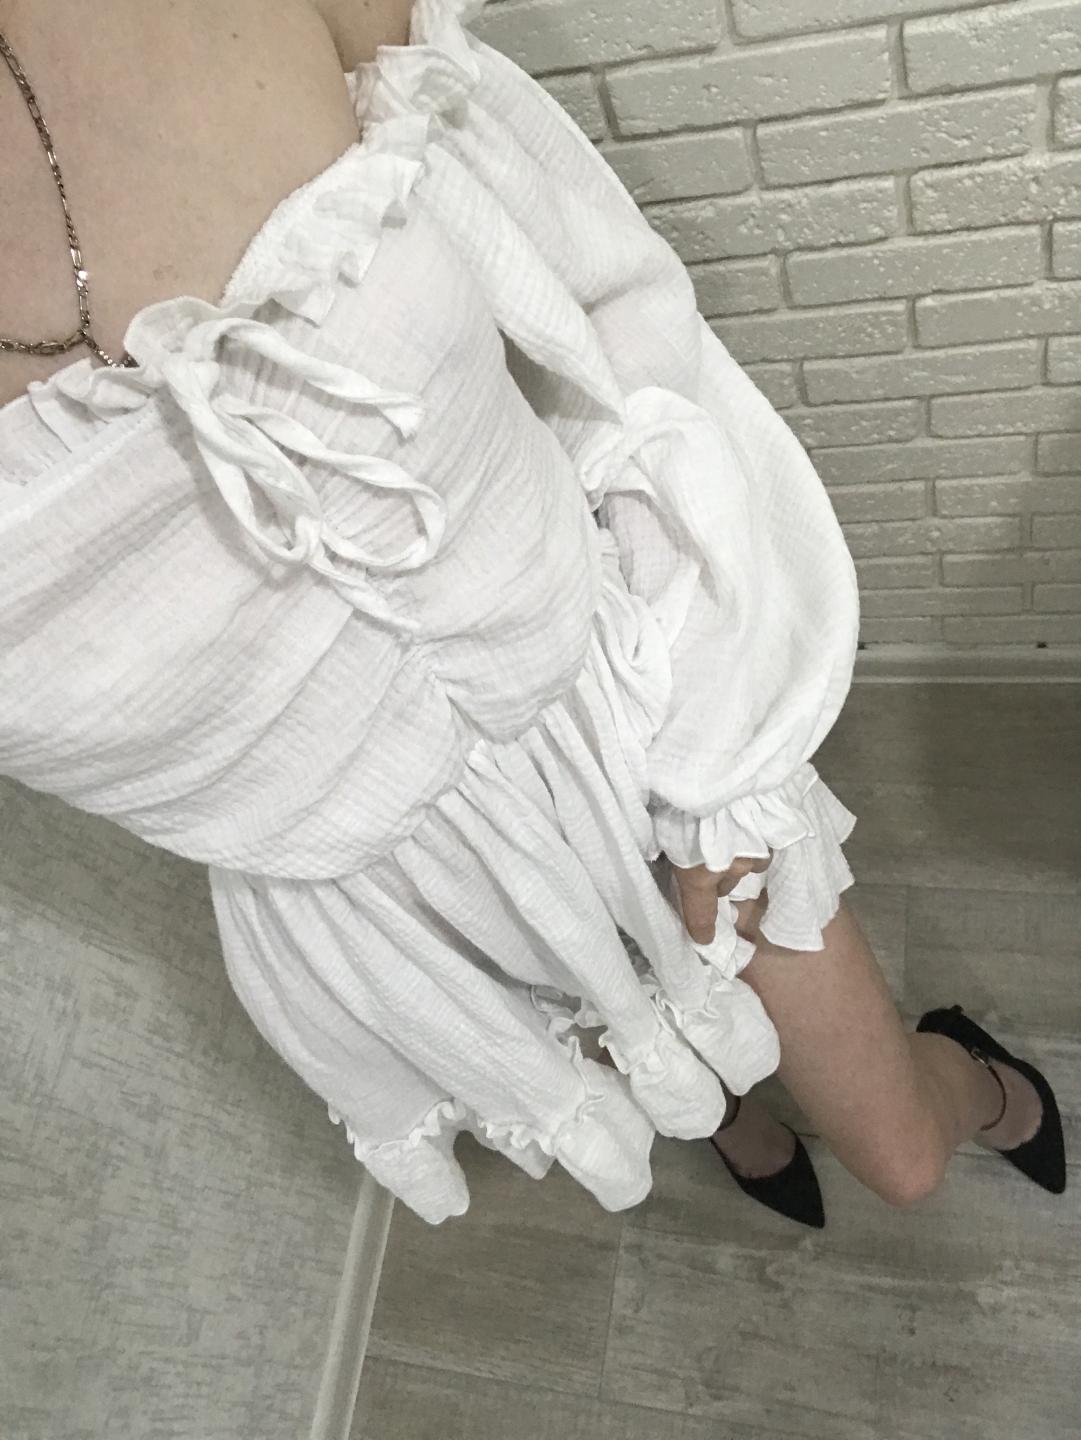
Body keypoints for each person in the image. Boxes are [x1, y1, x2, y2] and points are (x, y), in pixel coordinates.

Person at [0, 0, 1065, 1229]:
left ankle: (971, 1080)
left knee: (900, 1155)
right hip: (393, 910)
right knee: (674, 1083)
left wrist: (713, 720)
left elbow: (598, 306)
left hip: (625, 714)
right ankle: (728, 1112)